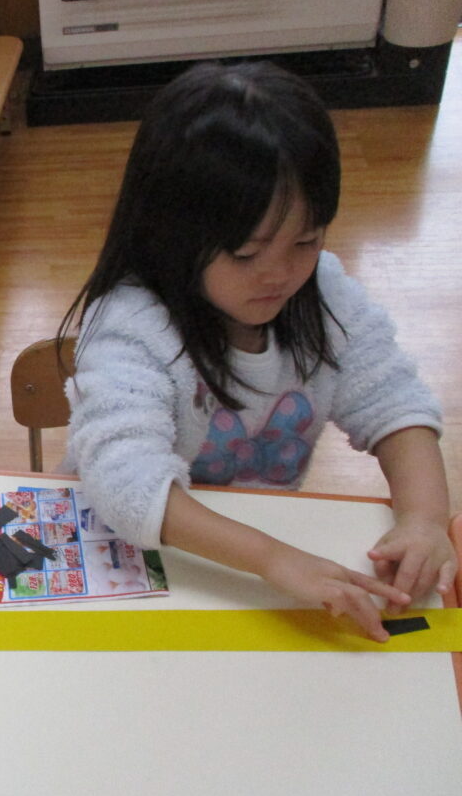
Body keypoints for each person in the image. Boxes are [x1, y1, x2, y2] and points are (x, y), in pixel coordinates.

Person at [58, 61, 455, 642]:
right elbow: (126, 482)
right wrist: (272, 558)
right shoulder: (132, 323)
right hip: (139, 555)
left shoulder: (325, 296)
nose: (280, 274)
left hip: (254, 558)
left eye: (306, 241)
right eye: (247, 253)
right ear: (170, 234)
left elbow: (394, 402)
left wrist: (424, 519)